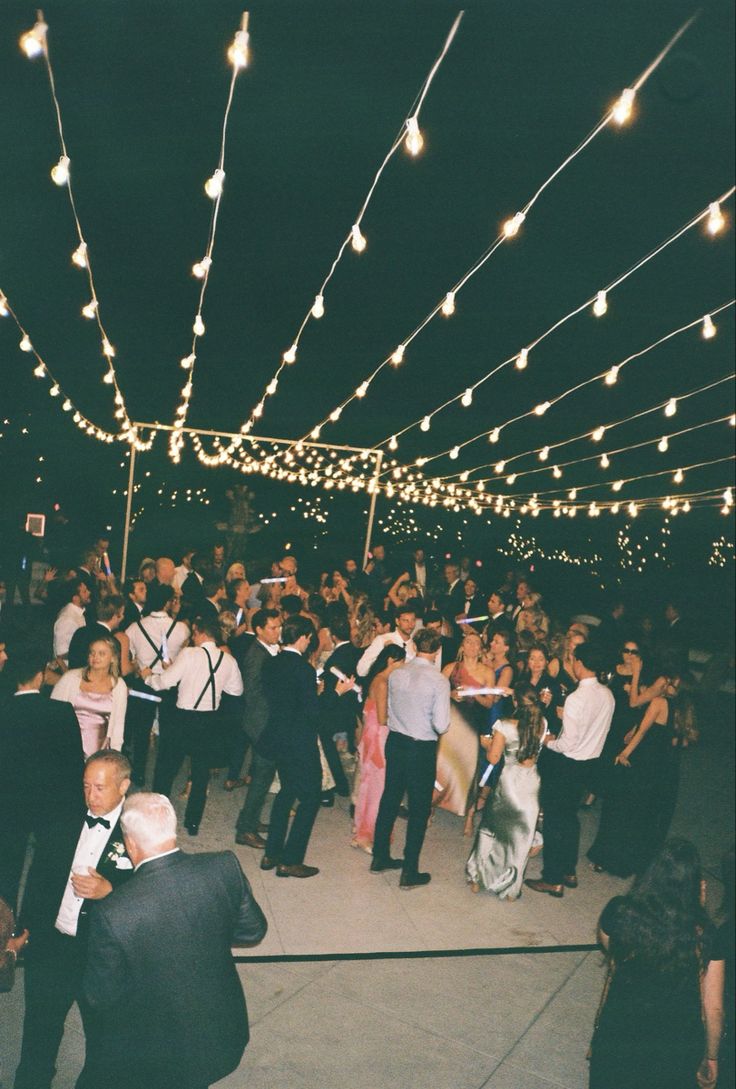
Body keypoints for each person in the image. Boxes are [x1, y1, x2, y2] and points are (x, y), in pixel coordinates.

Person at [82, 792, 267, 1089]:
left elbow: (100, 997)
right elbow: (253, 931)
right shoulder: (223, 865)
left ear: (130, 844)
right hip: (221, 1031)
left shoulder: (113, 911)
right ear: (172, 828)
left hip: (157, 1052)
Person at [14, 751, 134, 1089]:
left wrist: (110, 889)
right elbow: (39, 878)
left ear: (123, 786)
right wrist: (23, 929)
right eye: (86, 786)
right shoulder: (65, 816)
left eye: (100, 788)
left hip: (100, 954)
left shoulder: (136, 830)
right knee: (39, 1025)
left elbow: (152, 892)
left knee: (104, 1036)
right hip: (53, 945)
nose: (90, 796)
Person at [589, 838, 725, 1089]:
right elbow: (713, 1007)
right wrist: (712, 1056)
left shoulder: (619, 911)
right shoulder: (704, 934)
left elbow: (613, 959)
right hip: (674, 1044)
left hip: (620, 1031)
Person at [258, 615, 345, 878]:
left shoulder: (271, 664)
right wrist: (334, 693)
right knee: (310, 797)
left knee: (286, 794)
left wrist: (310, 692)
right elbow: (312, 713)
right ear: (305, 637)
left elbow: (284, 699)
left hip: (278, 737)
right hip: (300, 741)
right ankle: (291, 860)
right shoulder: (304, 669)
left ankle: (271, 852)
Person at [526, 640, 614, 898]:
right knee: (570, 819)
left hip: (568, 764)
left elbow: (567, 743)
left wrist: (547, 741)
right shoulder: (607, 694)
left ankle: (552, 879)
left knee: (554, 820)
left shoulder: (577, 697)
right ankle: (569, 870)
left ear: (581, 663)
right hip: (590, 764)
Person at [0, 651, 84, 913]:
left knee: (7, 865)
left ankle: (4, 924)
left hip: (9, 801)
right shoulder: (60, 711)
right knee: (46, 867)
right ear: (40, 677)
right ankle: (33, 924)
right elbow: (74, 762)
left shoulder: (3, 710)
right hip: (50, 802)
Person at [144, 617, 243, 836]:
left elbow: (165, 682)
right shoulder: (228, 660)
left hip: (182, 719)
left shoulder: (188, 654)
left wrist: (148, 678)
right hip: (209, 721)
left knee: (166, 769)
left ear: (198, 632)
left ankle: (157, 817)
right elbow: (236, 691)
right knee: (200, 774)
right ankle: (193, 823)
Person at [370, 628, 451, 889]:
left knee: (390, 798)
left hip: (396, 742)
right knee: (418, 809)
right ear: (437, 650)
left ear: (414, 647)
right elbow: (441, 724)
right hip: (421, 748)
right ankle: (409, 870)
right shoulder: (439, 681)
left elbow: (392, 709)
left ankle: (379, 857)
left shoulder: (398, 674)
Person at [466, 685, 546, 900]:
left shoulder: (505, 725)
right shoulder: (542, 723)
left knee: (490, 831)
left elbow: (493, 758)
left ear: (516, 703)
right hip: (531, 784)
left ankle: (478, 878)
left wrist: (486, 744)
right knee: (521, 837)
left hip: (509, 783)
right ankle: (511, 889)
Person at [234, 608, 282, 848]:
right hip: (261, 723)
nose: (278, 632)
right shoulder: (256, 655)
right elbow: (254, 694)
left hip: (263, 722)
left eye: (279, 626)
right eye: (273, 628)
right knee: (262, 775)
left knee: (263, 775)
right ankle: (245, 830)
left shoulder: (267, 650)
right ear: (260, 630)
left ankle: (250, 821)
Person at [351, 645, 406, 853]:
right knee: (378, 787)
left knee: (370, 784)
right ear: (392, 661)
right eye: (401, 662)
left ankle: (362, 830)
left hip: (372, 734)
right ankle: (368, 834)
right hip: (380, 736)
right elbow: (383, 718)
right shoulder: (382, 683)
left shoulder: (377, 679)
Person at [436, 631, 495, 821]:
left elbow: (489, 702)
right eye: (468, 642)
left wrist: (474, 693)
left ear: (480, 649)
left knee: (469, 768)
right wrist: (451, 694)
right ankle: (432, 804)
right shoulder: (450, 668)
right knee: (441, 764)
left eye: (475, 643)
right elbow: (436, 692)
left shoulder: (487, 672)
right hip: (451, 722)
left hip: (472, 724)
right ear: (462, 646)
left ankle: (468, 814)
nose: (471, 646)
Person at [51, 635, 129, 756]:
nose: (95, 657)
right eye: (92, 653)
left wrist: (115, 755)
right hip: (69, 746)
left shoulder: (119, 686)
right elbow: (53, 712)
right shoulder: (70, 678)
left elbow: (118, 725)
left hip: (100, 751)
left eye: (101, 653)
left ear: (113, 658)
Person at [356, 601, 417, 676]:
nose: (410, 625)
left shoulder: (416, 646)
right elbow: (361, 669)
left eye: (413, 620)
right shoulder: (382, 639)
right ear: (397, 621)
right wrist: (383, 656)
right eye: (405, 621)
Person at [67, 594, 126, 670]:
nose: (123, 617)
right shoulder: (111, 641)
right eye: (122, 614)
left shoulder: (80, 631)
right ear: (114, 618)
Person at [52, 577, 92, 663]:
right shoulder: (67, 619)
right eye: (84, 591)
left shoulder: (78, 613)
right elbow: (60, 654)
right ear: (75, 598)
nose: (89, 592)